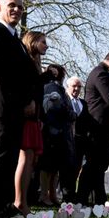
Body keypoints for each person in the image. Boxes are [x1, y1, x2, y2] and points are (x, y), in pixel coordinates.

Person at [0, 0, 37, 218]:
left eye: (20, 8)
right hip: (3, 105)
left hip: (14, 107)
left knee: (9, 159)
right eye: (11, 6)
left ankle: (5, 205)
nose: (16, 10)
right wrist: (23, 97)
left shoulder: (14, 37)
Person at [77, 49, 109, 205]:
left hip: (104, 128)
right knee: (93, 165)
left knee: (99, 166)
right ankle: (82, 199)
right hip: (97, 127)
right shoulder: (100, 74)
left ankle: (97, 199)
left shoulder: (104, 74)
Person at [13, 31, 47, 214]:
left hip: (35, 117)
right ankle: (19, 201)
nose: (46, 46)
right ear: (32, 42)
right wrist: (28, 102)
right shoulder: (25, 62)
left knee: (31, 159)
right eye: (43, 42)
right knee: (24, 159)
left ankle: (24, 200)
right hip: (26, 116)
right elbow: (26, 86)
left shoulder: (36, 63)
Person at [39, 63, 75, 206]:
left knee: (53, 168)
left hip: (53, 132)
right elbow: (59, 109)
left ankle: (51, 194)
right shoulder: (54, 88)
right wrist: (72, 114)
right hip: (53, 133)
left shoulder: (50, 87)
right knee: (47, 167)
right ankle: (45, 195)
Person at [61, 76, 91, 201]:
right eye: (74, 86)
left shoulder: (83, 103)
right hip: (66, 141)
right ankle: (66, 196)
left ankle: (74, 195)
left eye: (79, 86)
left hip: (80, 142)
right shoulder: (63, 101)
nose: (77, 89)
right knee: (66, 169)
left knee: (76, 168)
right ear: (67, 87)